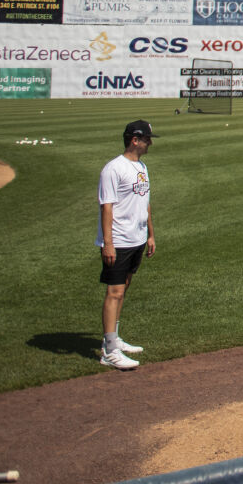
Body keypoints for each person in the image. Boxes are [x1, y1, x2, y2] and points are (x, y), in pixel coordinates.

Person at [97, 119, 157, 370]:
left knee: (125, 287)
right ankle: (109, 351)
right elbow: (106, 206)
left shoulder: (141, 166)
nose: (150, 144)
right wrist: (108, 243)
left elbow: (145, 202)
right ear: (135, 140)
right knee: (115, 292)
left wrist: (151, 234)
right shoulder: (113, 169)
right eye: (147, 139)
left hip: (137, 238)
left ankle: (114, 337)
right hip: (119, 239)